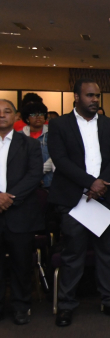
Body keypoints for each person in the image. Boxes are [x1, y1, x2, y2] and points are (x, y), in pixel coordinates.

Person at [48, 78, 110, 326]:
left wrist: (102, 181)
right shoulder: (60, 124)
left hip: (104, 198)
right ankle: (66, 306)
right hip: (75, 201)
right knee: (73, 255)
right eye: (89, 96)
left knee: (106, 254)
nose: (95, 100)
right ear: (76, 96)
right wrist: (89, 182)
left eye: (97, 96)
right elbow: (60, 160)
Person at [0, 99, 43, 325]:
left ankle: (20, 307)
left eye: (7, 111)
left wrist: (8, 198)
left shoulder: (29, 144)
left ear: (16, 117)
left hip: (20, 212)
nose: (2, 115)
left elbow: (34, 175)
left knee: (21, 264)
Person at [20, 102, 54, 188]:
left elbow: (55, 156)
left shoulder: (53, 133)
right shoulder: (20, 136)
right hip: (24, 180)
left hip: (49, 181)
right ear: (27, 118)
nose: (38, 116)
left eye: (41, 114)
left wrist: (37, 172)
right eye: (33, 114)